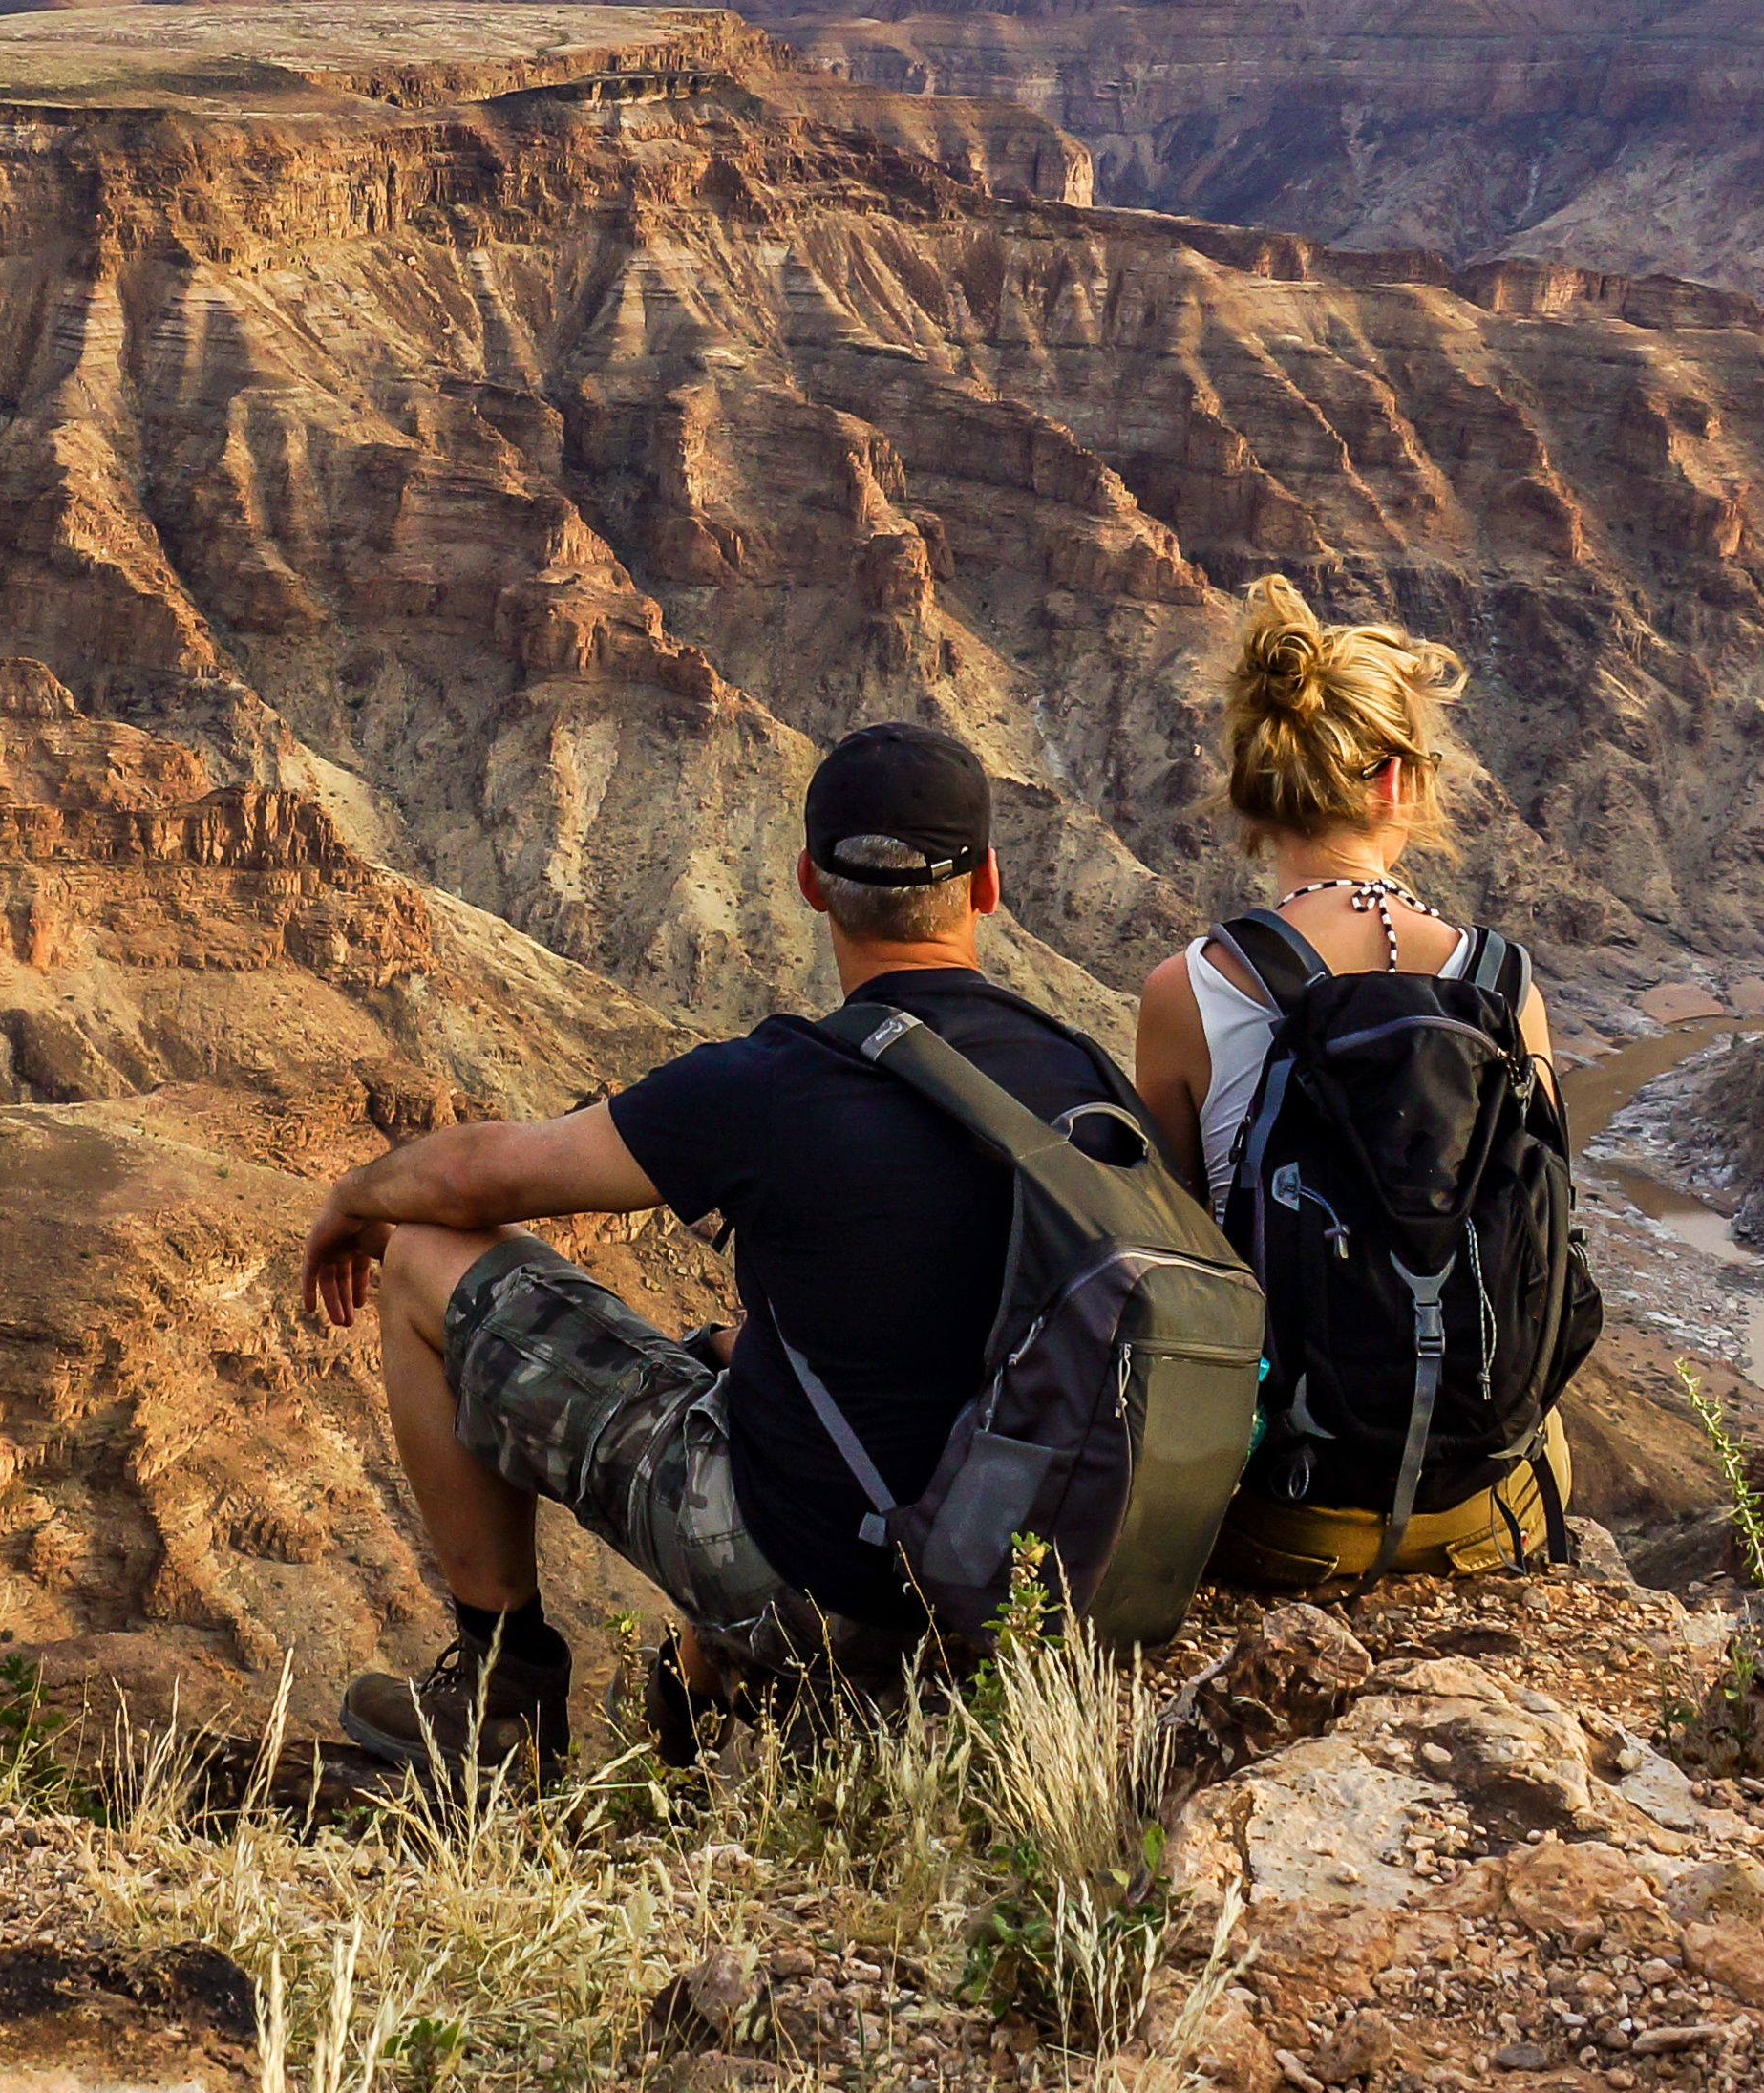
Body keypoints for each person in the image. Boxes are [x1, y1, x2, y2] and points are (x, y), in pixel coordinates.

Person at [298, 719, 1139, 1776]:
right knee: (731, 1349)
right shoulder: (1090, 1083)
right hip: (1028, 1588)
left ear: (808, 883)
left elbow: (482, 1179)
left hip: (821, 1581)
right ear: (989, 885)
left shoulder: (773, 1082)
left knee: (423, 1256)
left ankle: (499, 1689)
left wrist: (357, 1194)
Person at [1132, 581, 1579, 1588]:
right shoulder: (1503, 986)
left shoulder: (1188, 992)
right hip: (1482, 1507)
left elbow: (1165, 1259)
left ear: (1258, 787)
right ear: (1395, 784)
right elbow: (1548, 1239)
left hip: (1288, 1524)